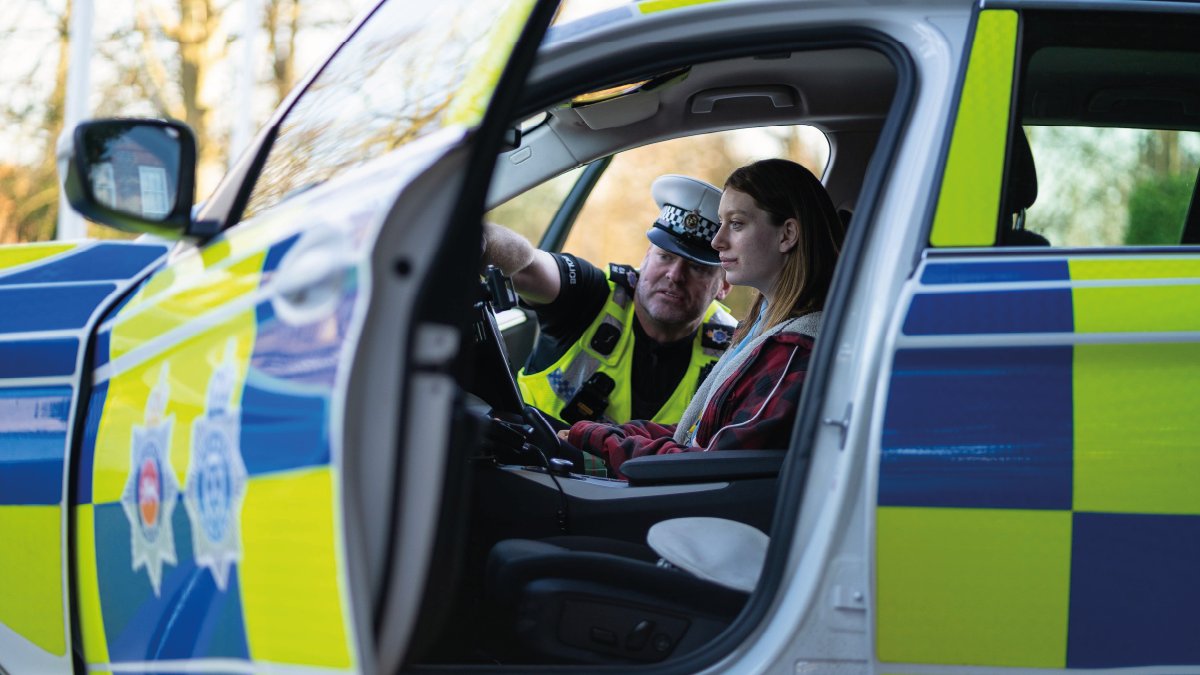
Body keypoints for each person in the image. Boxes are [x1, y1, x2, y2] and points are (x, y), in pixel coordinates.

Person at [561, 158, 846, 478]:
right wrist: (620, 434)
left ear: (787, 235)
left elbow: (711, 467)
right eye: (722, 223)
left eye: (736, 224)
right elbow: (698, 431)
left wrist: (595, 437)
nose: (717, 241)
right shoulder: (763, 329)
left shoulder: (793, 348)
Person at [482, 175, 737, 426]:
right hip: (529, 461)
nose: (675, 275)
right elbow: (525, 266)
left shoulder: (735, 351)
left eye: (697, 268)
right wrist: (481, 240)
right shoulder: (592, 294)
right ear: (646, 257)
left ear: (723, 285)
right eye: (665, 257)